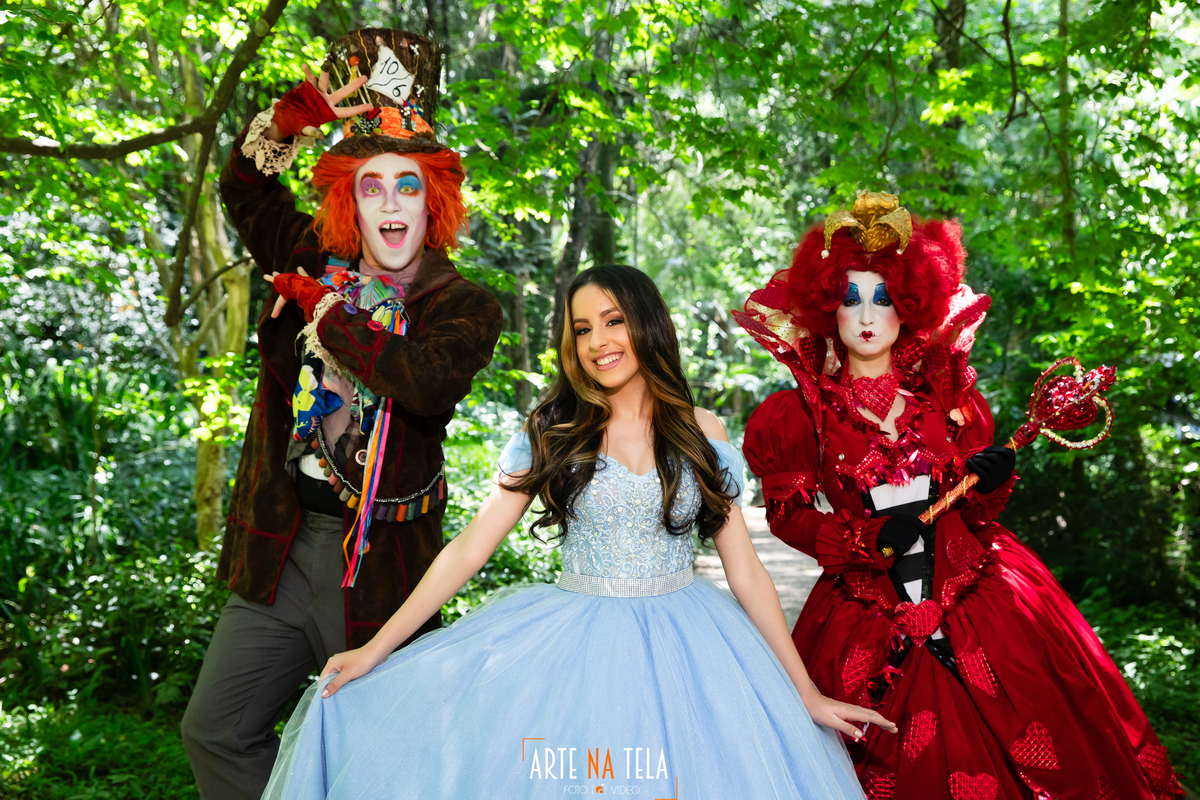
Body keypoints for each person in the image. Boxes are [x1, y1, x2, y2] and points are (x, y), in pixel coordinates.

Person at [260, 264, 895, 799]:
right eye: (583, 328)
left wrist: (804, 694)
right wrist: (376, 651)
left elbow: (747, 572)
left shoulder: (702, 429)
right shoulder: (554, 427)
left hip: (694, 650)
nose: (598, 341)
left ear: (647, 324)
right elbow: (471, 547)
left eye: (613, 321)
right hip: (574, 651)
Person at [737, 192, 1185, 799]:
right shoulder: (800, 415)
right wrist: (866, 538)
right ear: (827, 309)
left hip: (981, 600)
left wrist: (990, 482)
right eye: (849, 298)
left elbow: (974, 510)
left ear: (908, 307)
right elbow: (787, 516)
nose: (866, 315)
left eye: (883, 298)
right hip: (863, 616)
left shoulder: (950, 402)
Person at [181, 30, 503, 800]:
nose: (389, 202)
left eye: (407, 186)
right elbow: (244, 191)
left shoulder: (464, 305)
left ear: (433, 200)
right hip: (282, 548)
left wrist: (324, 311)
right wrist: (294, 117)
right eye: (370, 185)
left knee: (389, 767)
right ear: (348, 201)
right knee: (215, 729)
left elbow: (424, 382)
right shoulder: (307, 253)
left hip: (384, 567)